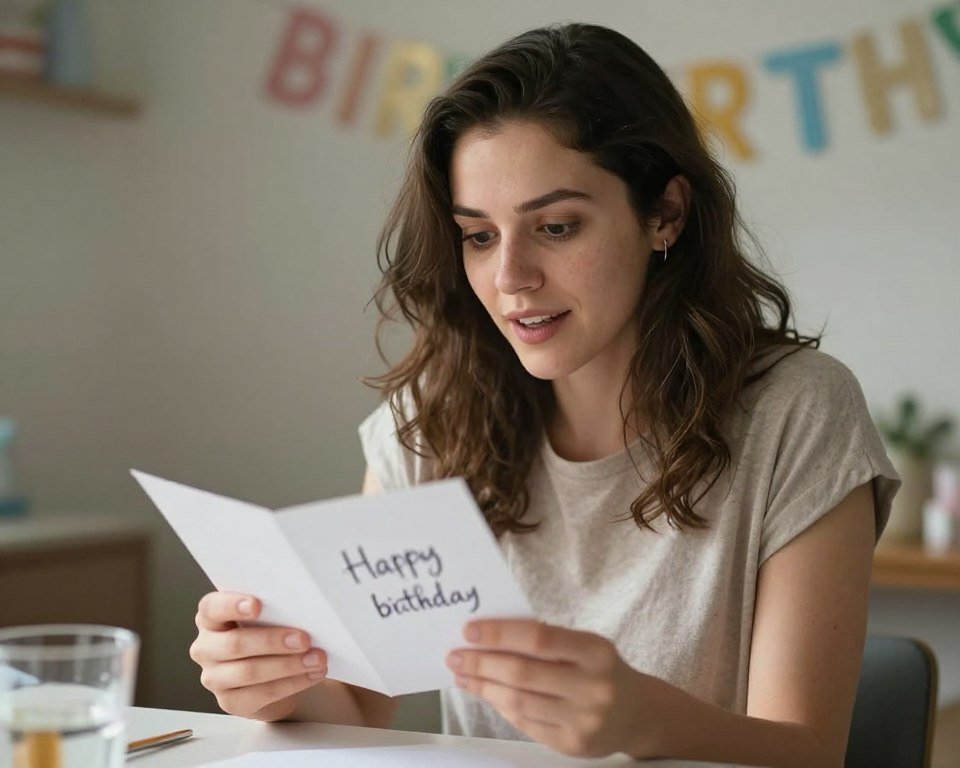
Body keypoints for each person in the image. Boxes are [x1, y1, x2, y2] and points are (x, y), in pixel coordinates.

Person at [188, 23, 899, 766]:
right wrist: (277, 683)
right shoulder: (432, 416)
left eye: (556, 227)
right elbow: (359, 707)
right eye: (479, 236)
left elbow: (809, 752)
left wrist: (643, 721)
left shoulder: (797, 411)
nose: (511, 278)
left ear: (665, 213)